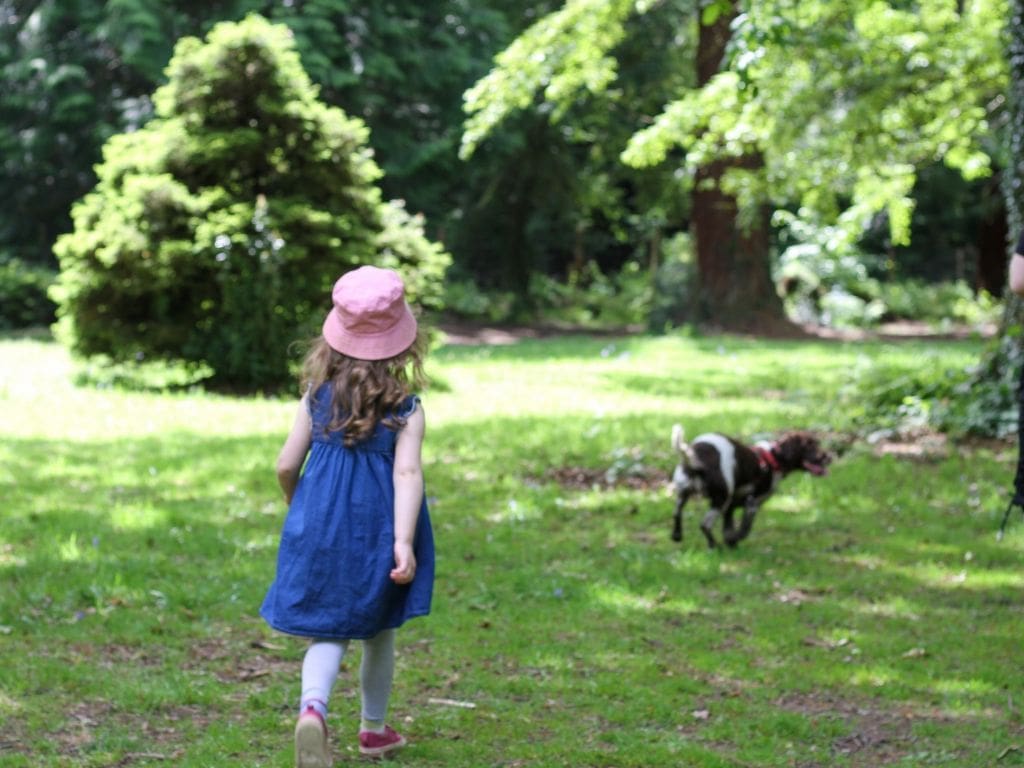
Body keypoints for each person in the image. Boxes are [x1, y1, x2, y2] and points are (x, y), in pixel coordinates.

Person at [260, 265, 435, 766]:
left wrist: (301, 507)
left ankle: (312, 710)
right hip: (379, 531)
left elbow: (285, 464)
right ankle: (372, 729)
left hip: (319, 527)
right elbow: (407, 476)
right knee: (379, 630)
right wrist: (403, 542)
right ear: (404, 342)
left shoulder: (315, 399)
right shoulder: (407, 408)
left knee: (328, 629)